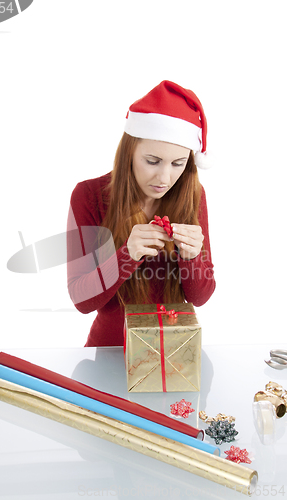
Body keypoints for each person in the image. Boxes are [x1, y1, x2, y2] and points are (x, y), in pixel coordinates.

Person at [67, 80, 216, 347]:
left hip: (173, 353)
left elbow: (200, 297)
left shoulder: (194, 194)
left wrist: (192, 257)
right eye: (152, 161)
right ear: (129, 153)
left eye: (177, 164)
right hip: (108, 352)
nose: (164, 177)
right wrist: (127, 254)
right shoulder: (88, 196)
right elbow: (81, 300)